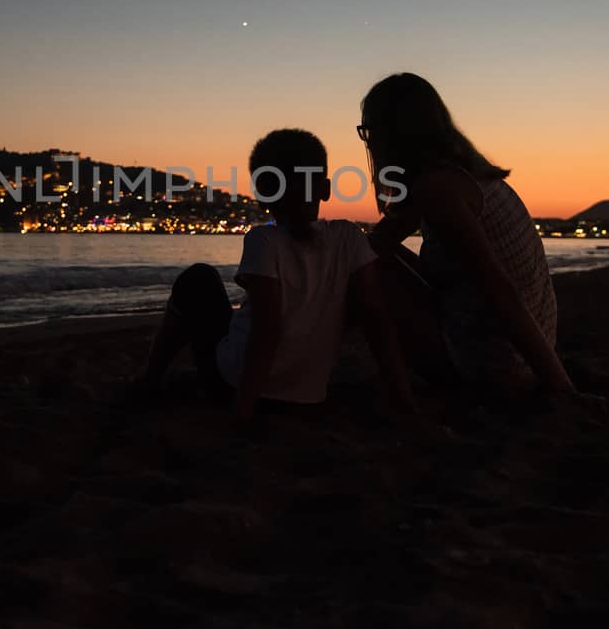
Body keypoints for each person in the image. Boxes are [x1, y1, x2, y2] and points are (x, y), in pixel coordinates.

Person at [359, 73, 609, 425]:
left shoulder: (438, 190)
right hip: (521, 350)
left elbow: (499, 291)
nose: (369, 142)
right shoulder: (461, 178)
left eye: (368, 131)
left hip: (495, 364)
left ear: (392, 132)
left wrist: (563, 390)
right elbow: (381, 243)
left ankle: (368, 391)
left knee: (359, 269)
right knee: (363, 257)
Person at [132, 128, 416, 424]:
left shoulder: (264, 241)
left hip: (240, 388)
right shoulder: (350, 238)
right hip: (308, 397)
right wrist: (404, 399)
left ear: (262, 198)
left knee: (198, 280)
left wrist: (242, 411)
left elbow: (267, 329)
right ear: (325, 189)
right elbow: (376, 321)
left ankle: (150, 380)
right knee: (237, 319)